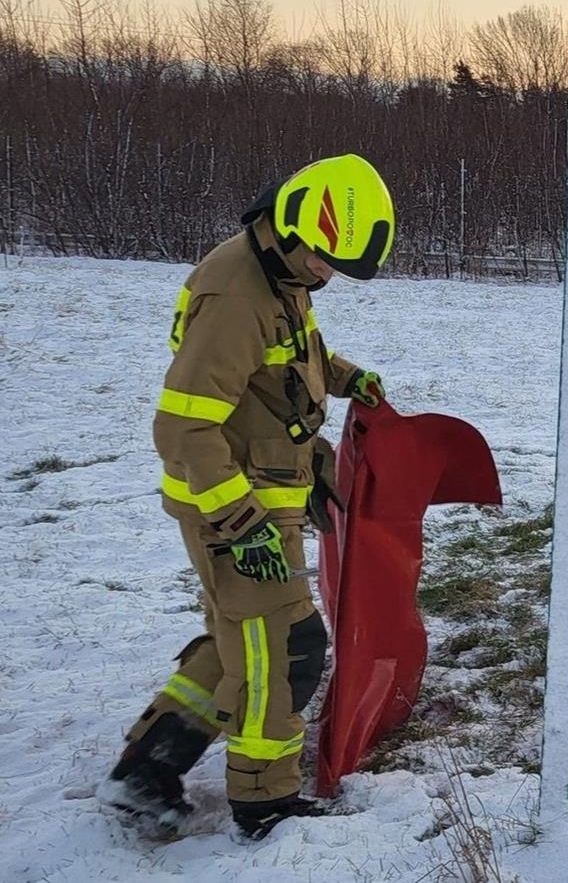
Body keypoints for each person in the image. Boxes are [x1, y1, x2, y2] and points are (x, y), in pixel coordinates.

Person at [99, 154, 395, 839]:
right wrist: (243, 523)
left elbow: (291, 357)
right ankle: (266, 801)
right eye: (324, 259)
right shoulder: (237, 293)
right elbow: (183, 425)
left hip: (263, 490)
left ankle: (145, 771)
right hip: (234, 503)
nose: (327, 274)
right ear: (293, 226)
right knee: (288, 648)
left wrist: (348, 378)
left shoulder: (278, 271)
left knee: (240, 643)